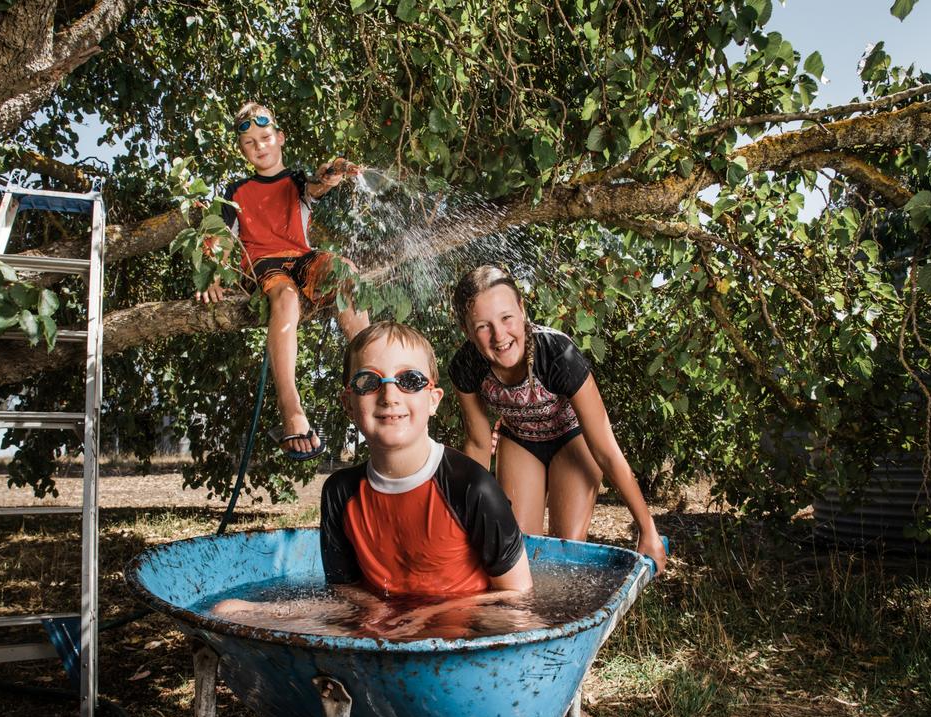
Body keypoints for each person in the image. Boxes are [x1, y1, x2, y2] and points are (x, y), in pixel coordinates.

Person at [212, 321, 538, 639]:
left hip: (464, 628)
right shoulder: (341, 492)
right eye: (369, 381)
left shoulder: (470, 486)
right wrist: (380, 612)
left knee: (521, 622)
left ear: (433, 399)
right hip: (382, 622)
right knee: (227, 610)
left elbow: (517, 595)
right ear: (348, 405)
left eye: (409, 379)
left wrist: (426, 615)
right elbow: (344, 589)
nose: (389, 395)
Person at [448, 265, 668, 570]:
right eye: (483, 326)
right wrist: (462, 522)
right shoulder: (465, 365)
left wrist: (647, 528)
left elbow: (605, 448)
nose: (499, 335)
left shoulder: (557, 353)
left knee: (565, 553)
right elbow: (477, 443)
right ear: (467, 331)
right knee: (518, 554)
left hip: (571, 440)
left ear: (522, 310)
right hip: (520, 442)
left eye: (506, 318)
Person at [196, 101, 369, 460]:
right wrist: (215, 275)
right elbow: (224, 238)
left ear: (280, 138)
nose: (259, 146)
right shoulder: (236, 190)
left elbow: (317, 186)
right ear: (242, 150)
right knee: (286, 298)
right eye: (250, 143)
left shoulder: (296, 180)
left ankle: (369, 368)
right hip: (264, 264)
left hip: (303, 257)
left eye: (265, 137)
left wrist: (330, 174)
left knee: (346, 272)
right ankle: (290, 406)